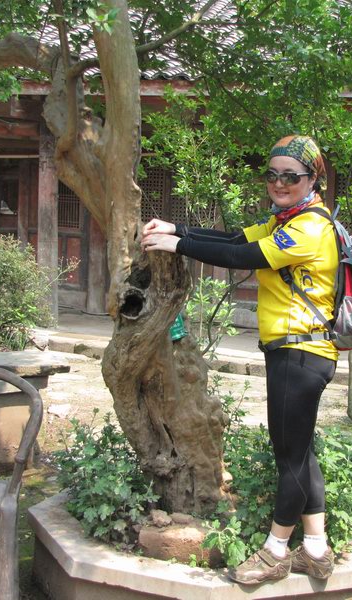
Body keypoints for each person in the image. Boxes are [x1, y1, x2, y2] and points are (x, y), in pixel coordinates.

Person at [141, 135, 339, 585]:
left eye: (291, 176)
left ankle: (275, 552)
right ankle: (315, 548)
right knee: (300, 452)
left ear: (312, 178)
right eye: (272, 175)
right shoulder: (287, 221)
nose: (279, 183)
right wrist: (177, 230)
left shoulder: (309, 229)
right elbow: (233, 237)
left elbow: (239, 256)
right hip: (296, 351)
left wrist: (176, 246)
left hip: (300, 354)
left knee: (289, 458)